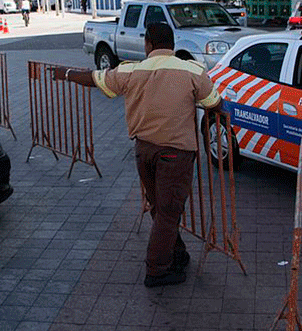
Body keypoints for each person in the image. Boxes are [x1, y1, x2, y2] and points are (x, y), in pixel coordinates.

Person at [52, 23, 222, 288]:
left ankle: (176, 254)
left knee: (160, 210)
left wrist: (66, 74)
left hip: (144, 151)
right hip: (175, 155)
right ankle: (156, 270)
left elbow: (95, 79)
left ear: (148, 44)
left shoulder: (131, 70)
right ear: (172, 43)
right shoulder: (192, 71)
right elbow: (214, 103)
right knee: (168, 212)